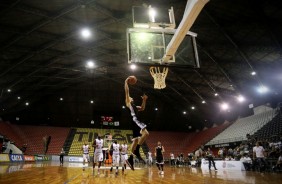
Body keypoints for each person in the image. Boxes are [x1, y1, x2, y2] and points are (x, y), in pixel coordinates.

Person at [124, 76, 149, 170]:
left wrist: (144, 100)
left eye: (130, 97)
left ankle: (130, 159)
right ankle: (137, 151)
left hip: (134, 122)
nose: (130, 97)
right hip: (135, 120)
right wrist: (126, 81)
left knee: (135, 141)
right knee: (146, 133)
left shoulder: (134, 105)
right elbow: (127, 91)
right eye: (129, 97)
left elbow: (142, 108)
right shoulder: (128, 102)